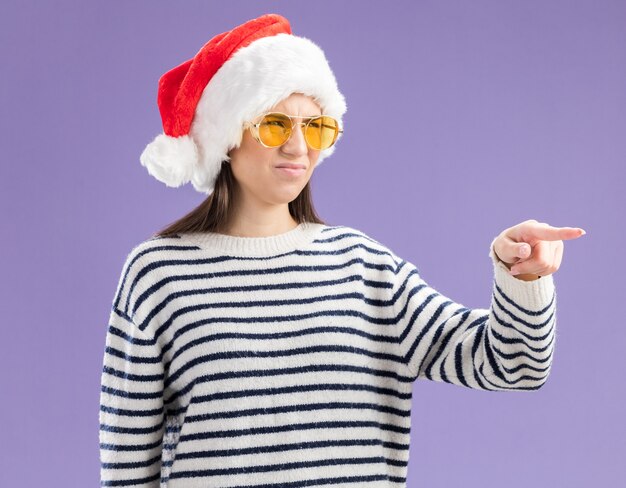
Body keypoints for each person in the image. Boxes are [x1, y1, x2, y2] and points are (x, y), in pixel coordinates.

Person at [99, 13, 585, 488]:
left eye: (315, 127)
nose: (297, 147)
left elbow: (513, 365)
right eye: (273, 125)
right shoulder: (158, 273)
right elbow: (126, 464)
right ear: (227, 136)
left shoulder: (364, 267)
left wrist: (523, 278)